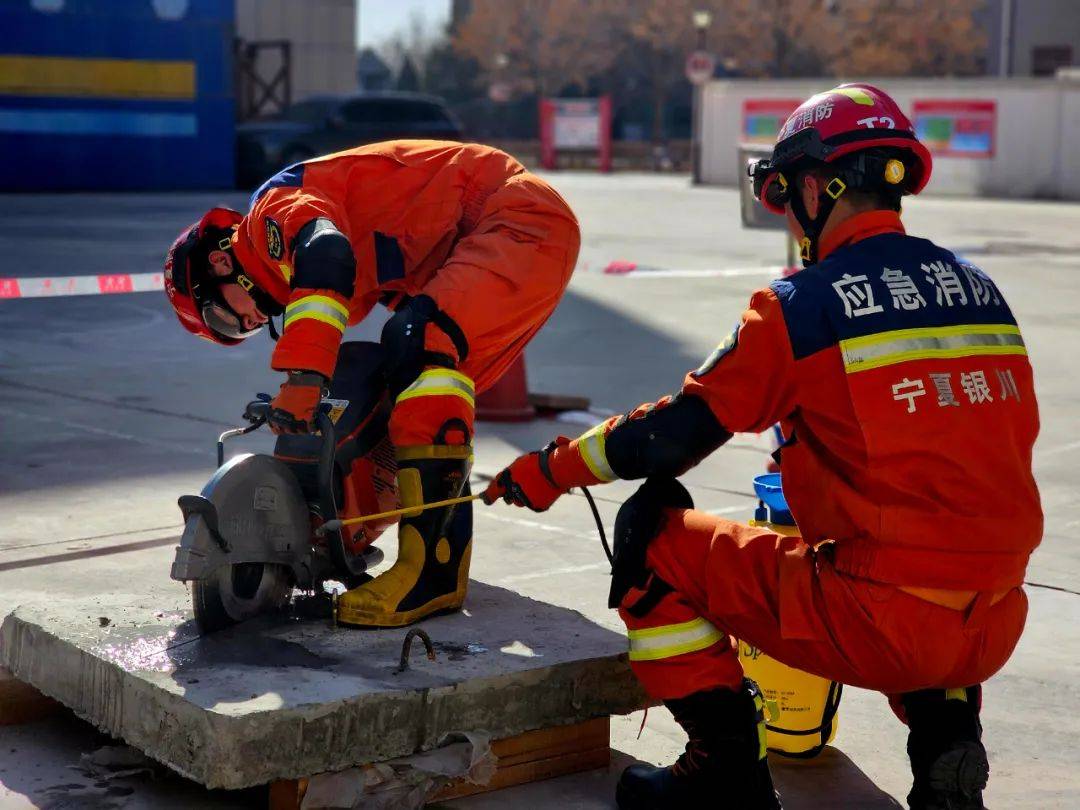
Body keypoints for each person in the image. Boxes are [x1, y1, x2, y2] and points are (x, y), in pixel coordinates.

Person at [484, 84, 1041, 810]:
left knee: (652, 532)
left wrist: (550, 469)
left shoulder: (802, 307)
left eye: (787, 193)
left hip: (882, 622)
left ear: (817, 186)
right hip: (994, 623)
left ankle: (723, 773)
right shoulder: (980, 290)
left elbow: (667, 440)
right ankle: (946, 752)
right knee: (936, 554)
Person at [164, 140, 580, 628]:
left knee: (418, 342)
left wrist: (304, 376)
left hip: (511, 217)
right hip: (492, 233)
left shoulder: (268, 217)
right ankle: (408, 544)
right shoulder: (283, 242)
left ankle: (432, 574)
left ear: (217, 265)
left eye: (226, 317)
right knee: (413, 386)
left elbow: (327, 251)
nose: (249, 323)